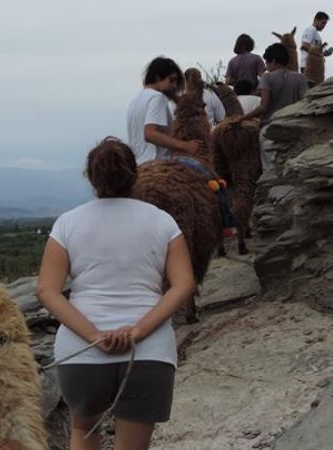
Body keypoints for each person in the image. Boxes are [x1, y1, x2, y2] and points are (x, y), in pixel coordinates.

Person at [37, 138, 196, 450]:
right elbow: (183, 284)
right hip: (148, 352)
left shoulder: (67, 223)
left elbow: (47, 290)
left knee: (83, 429)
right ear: (134, 175)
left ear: (90, 177)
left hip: (81, 352)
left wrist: (94, 335)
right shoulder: (162, 221)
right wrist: (138, 331)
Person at [126, 57, 203, 165]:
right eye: (171, 80)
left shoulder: (135, 101)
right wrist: (186, 146)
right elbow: (150, 134)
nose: (174, 86)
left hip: (138, 164)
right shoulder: (157, 98)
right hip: (157, 164)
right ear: (158, 76)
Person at [237, 43, 307, 126]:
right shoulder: (300, 77)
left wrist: (242, 118)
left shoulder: (266, 77)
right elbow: (305, 102)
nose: (266, 67)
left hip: (271, 125)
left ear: (273, 61)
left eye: (267, 63)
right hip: (294, 123)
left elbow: (263, 107)